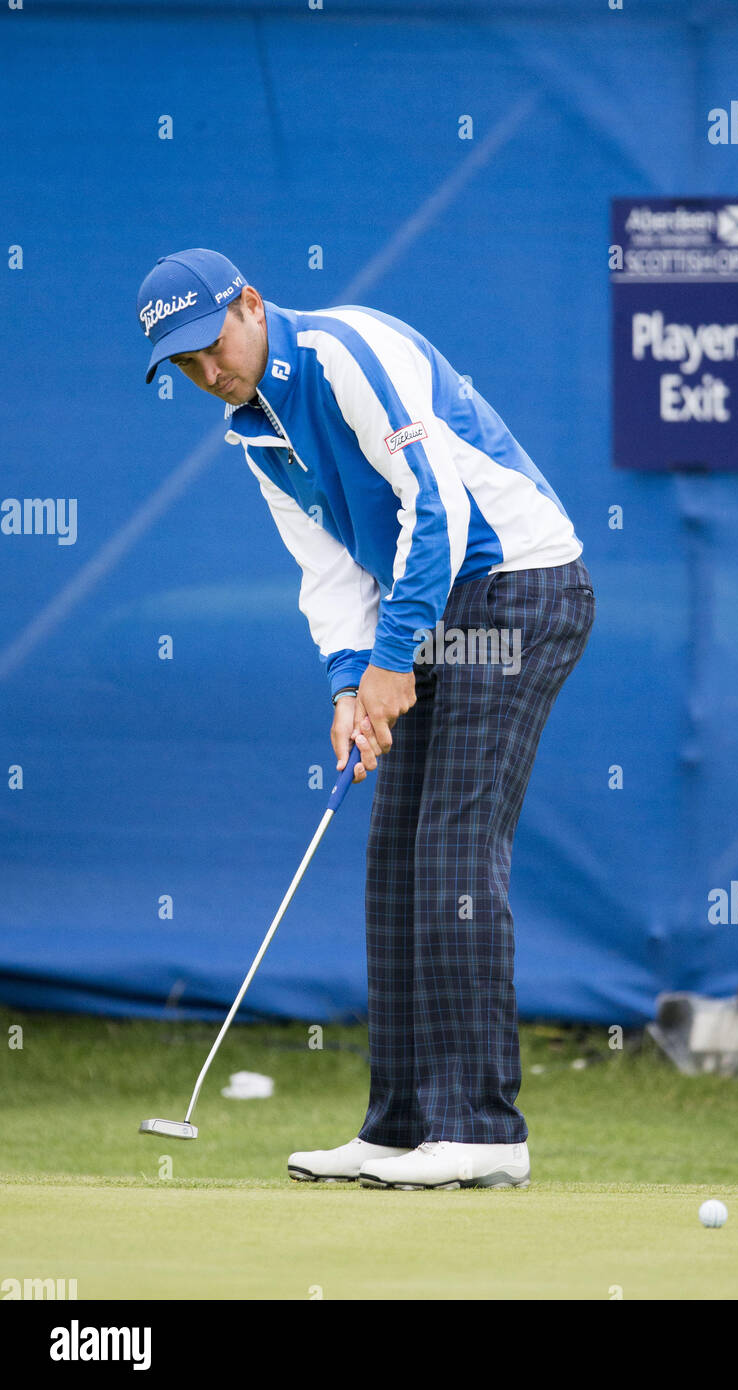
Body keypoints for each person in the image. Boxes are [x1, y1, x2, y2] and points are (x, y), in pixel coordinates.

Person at [136, 248, 595, 1190]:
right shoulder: (252, 432)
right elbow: (330, 570)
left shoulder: (350, 350)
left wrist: (394, 662)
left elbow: (441, 511)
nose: (208, 372)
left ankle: (483, 1132)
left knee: (455, 847)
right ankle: (403, 1126)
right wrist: (352, 686)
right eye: (184, 365)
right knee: (395, 860)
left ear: (252, 305)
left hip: (520, 590)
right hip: (428, 610)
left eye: (211, 345)